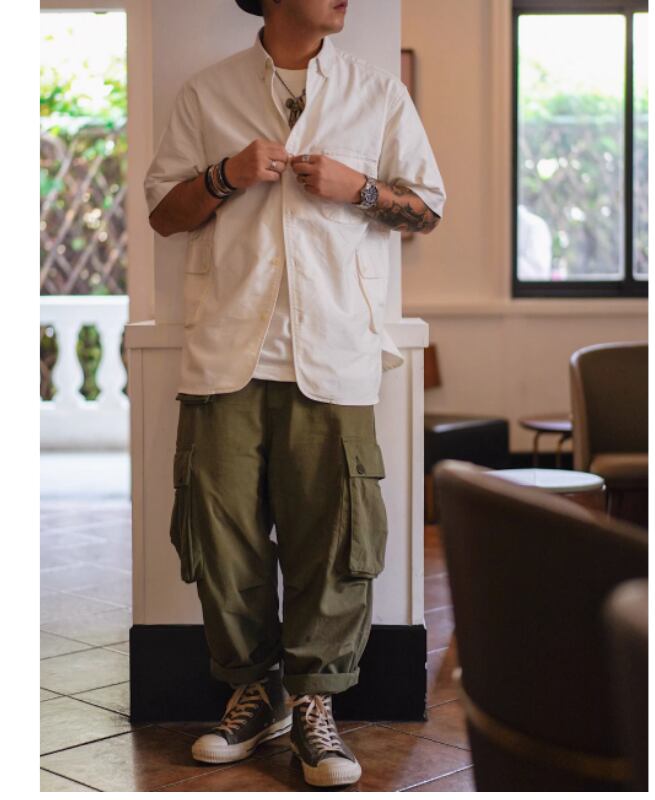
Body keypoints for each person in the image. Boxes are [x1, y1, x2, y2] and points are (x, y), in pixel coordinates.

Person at [144, 0, 446, 788]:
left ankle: (316, 705)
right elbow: (163, 213)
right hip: (225, 353)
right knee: (221, 541)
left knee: (335, 543)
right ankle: (256, 693)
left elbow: (427, 209)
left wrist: (359, 189)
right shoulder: (207, 93)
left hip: (335, 352)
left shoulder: (376, 94)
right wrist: (226, 175)